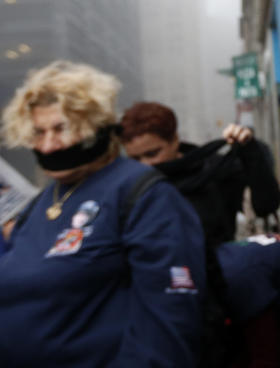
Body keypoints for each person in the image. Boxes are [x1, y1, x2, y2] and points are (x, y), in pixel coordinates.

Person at [0, 61, 205, 367]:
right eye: (38, 132)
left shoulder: (144, 194)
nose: (48, 145)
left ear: (95, 127)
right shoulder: (41, 202)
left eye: (61, 129)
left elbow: (170, 321)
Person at [119, 102, 280, 244]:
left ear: (174, 140)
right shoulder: (128, 186)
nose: (145, 164)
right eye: (135, 158)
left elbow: (266, 205)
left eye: (152, 154)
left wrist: (250, 152)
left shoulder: (213, 170)